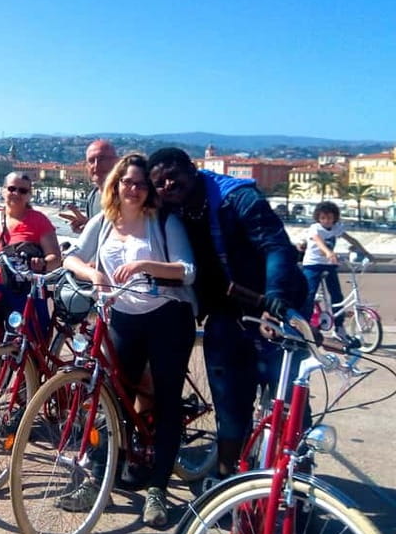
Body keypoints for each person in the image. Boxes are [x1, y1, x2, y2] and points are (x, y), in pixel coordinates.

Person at [147, 147, 307, 484]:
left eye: (173, 175)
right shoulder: (170, 210)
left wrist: (275, 301)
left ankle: (299, 479)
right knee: (229, 402)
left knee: (290, 399)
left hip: (273, 306)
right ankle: (227, 480)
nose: (168, 185)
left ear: (192, 168)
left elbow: (276, 247)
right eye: (159, 182)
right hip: (225, 310)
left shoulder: (238, 198)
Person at [61, 153, 197, 527]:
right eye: (127, 182)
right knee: (112, 402)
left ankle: (157, 490)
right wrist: (92, 274)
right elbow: (72, 258)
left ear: (148, 189)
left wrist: (144, 265)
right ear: (116, 184)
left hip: (167, 317)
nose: (133, 189)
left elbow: (187, 271)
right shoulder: (104, 221)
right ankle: (97, 482)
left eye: (140, 183)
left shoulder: (163, 221)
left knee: (167, 403)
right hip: (122, 319)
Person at [0, 171, 61, 332]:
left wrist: (42, 263)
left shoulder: (39, 221)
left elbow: (55, 258)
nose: (16, 194)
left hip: (23, 293)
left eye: (23, 190)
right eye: (12, 188)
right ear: (3, 190)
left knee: (22, 343)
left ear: (29, 195)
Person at [301, 201, 372, 336]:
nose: (326, 221)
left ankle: (339, 327)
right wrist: (328, 252)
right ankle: (304, 326)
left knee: (337, 295)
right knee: (309, 294)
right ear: (318, 218)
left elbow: (351, 240)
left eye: (329, 218)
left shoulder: (336, 228)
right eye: (323, 218)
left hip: (329, 264)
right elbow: (318, 241)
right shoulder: (315, 228)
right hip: (313, 264)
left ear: (335, 217)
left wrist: (366, 252)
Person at [59, 139, 119, 234]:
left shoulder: (127, 196)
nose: (96, 165)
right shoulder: (92, 197)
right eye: (91, 161)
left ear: (117, 162)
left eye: (102, 159)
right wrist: (87, 228)